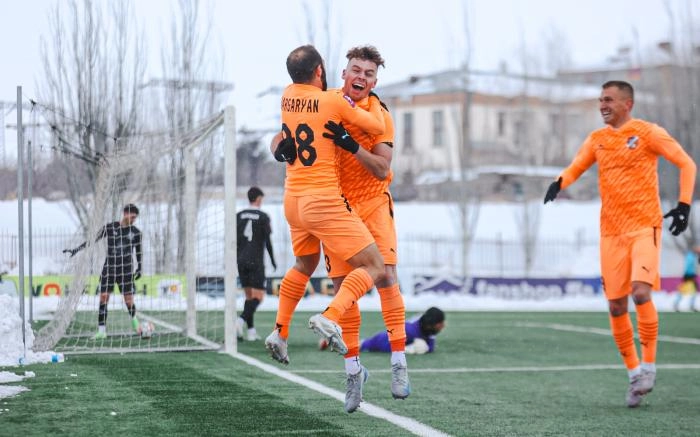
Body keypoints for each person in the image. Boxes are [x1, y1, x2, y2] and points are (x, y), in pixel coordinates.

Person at [543, 80, 696, 408]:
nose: (603, 105)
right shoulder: (597, 139)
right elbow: (577, 165)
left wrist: (684, 205)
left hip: (644, 226)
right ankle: (634, 374)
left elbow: (687, 163)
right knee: (615, 306)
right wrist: (559, 182)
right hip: (611, 232)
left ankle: (650, 366)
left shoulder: (648, 132)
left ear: (628, 104)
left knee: (640, 292)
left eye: (609, 100)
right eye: (601, 100)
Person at [264, 45, 386, 373]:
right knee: (375, 266)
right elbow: (376, 128)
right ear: (320, 70)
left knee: (305, 263)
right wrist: (374, 104)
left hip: (293, 200)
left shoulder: (287, 95)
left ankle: (280, 332)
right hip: (323, 201)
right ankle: (330, 316)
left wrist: (276, 147)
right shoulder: (333, 100)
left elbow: (283, 134)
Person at [319, 45, 409, 409]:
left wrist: (350, 144)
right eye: (356, 70)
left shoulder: (380, 115)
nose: (361, 77)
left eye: (369, 74)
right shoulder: (325, 103)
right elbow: (284, 132)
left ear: (374, 82)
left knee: (386, 275)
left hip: (372, 203)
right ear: (344, 74)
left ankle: (399, 363)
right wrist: (281, 145)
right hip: (335, 207)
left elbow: (382, 169)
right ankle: (353, 371)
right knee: (345, 287)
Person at [64, 204, 143, 340]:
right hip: (109, 269)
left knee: (129, 301)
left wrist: (140, 267)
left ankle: (137, 324)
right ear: (125, 213)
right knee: (103, 298)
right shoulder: (110, 227)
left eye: (135, 218)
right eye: (132, 217)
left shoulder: (136, 232)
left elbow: (139, 251)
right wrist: (77, 249)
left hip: (126, 271)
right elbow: (92, 240)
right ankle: (101, 331)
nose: (133, 220)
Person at [236, 186, 277, 341]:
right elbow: (268, 242)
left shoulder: (238, 216)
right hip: (256, 261)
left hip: (241, 260)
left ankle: (251, 331)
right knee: (259, 297)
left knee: (249, 297)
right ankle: (240, 321)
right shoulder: (263, 216)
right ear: (259, 199)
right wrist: (272, 260)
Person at [357, 307, 445, 355]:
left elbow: (430, 346)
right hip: (382, 340)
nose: (443, 325)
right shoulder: (410, 331)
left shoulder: (427, 326)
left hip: (391, 336)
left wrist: (426, 348)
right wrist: (409, 349)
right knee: (358, 346)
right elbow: (387, 346)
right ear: (430, 325)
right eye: (440, 323)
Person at [673, 246, 700, 312]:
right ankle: (677, 304)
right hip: (688, 275)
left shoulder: (693, 256)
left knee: (692, 290)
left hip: (690, 275)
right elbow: (689, 266)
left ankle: (688, 305)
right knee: (684, 290)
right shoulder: (690, 256)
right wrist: (690, 274)